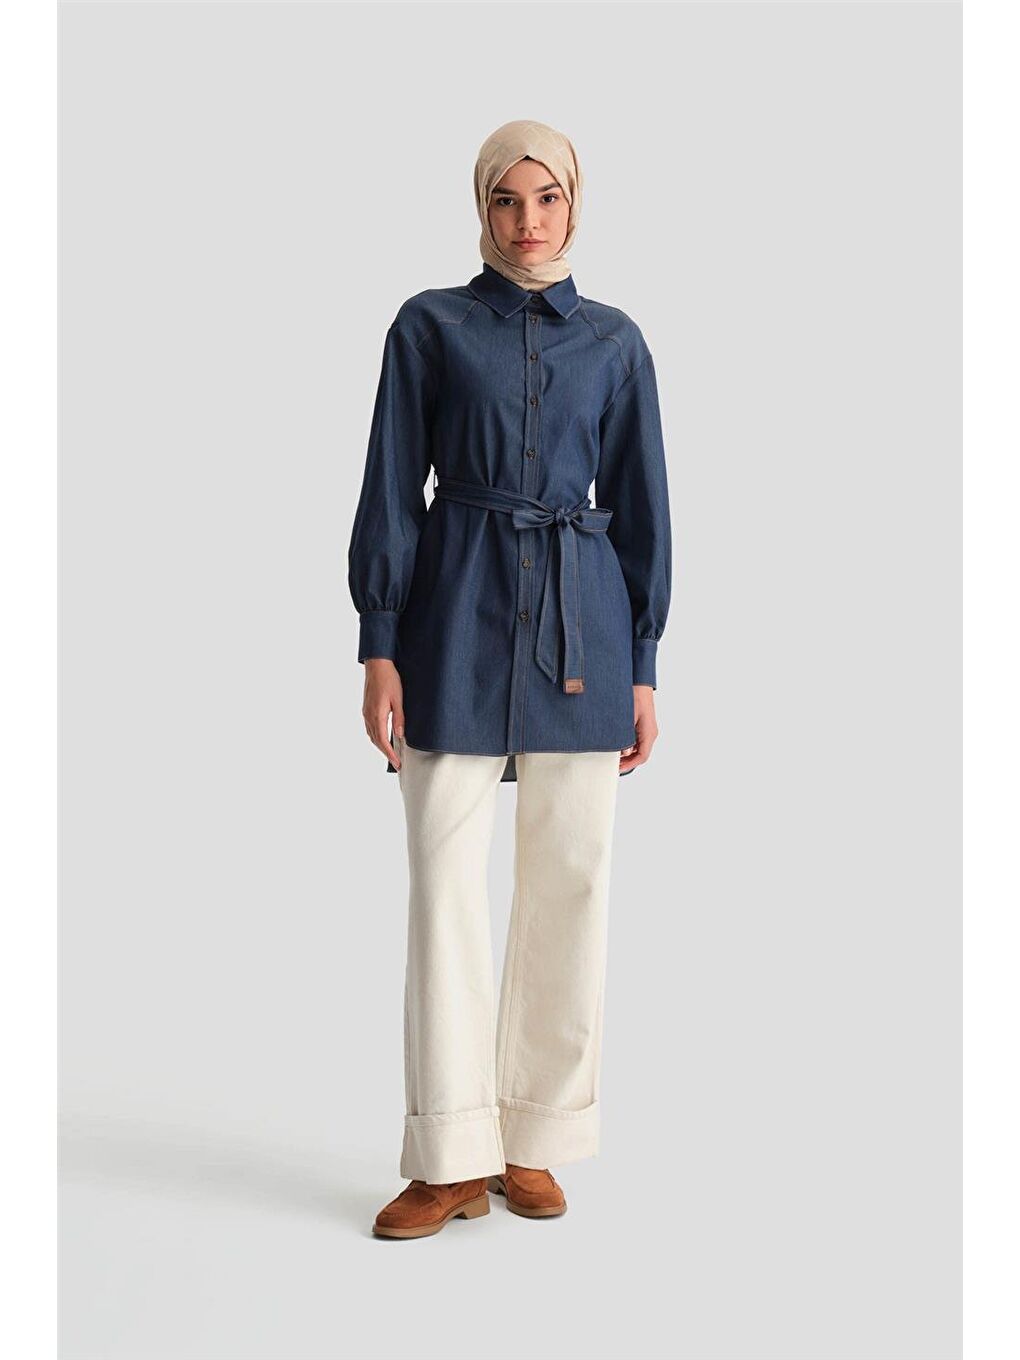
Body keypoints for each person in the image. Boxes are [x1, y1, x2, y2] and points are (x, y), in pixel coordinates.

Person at [347, 119, 672, 1239]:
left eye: (547, 198)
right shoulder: (428, 325)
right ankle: (449, 1153)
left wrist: (643, 666)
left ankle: (534, 1135)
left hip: (585, 635)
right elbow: (393, 484)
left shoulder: (617, 343)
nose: (528, 221)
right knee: (444, 888)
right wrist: (379, 641)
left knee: (570, 884)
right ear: (481, 207)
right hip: (453, 622)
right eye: (506, 200)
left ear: (575, 204)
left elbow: (642, 508)